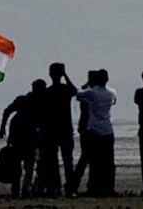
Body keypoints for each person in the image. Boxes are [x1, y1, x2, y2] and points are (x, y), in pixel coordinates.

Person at [0, 79, 45, 197]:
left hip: (20, 137)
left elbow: (7, 111)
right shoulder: (36, 103)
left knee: (22, 166)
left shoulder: (23, 101)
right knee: (28, 166)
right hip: (26, 138)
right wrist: (2, 127)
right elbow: (7, 111)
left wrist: (2, 127)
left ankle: (20, 190)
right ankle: (25, 190)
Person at [76, 69, 117, 197]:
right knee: (108, 161)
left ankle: (93, 187)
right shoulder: (112, 92)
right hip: (108, 129)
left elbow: (78, 94)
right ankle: (108, 187)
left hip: (93, 130)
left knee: (92, 160)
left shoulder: (92, 93)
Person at [40, 63, 77, 197]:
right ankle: (70, 189)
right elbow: (74, 90)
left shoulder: (47, 92)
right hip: (65, 130)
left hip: (52, 131)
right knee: (67, 161)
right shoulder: (65, 90)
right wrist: (65, 74)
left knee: (53, 162)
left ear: (50, 74)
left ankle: (55, 187)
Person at [70, 70, 97, 196]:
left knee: (86, 157)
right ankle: (78, 184)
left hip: (85, 126)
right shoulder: (90, 92)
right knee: (87, 157)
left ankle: (77, 184)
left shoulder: (85, 90)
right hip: (89, 127)